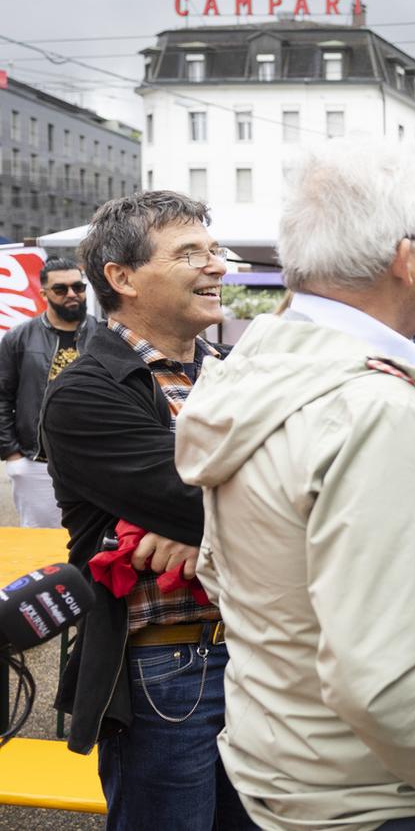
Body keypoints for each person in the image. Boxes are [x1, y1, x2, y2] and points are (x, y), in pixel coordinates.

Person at [173, 140, 415, 830]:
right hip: (380, 797)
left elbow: (222, 570)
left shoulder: (257, 369)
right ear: (402, 257)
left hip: (286, 766)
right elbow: (378, 680)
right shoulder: (375, 407)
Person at [38, 191, 254, 828]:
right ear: (122, 277)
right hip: (170, 666)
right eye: (190, 254)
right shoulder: (84, 392)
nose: (216, 266)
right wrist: (217, 517)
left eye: (214, 251)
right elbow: (205, 501)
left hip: (263, 655)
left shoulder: (236, 372)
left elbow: (313, 478)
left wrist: (202, 533)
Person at [0, 256, 99, 527]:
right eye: (60, 289)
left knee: (94, 539)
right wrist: (12, 453)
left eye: (78, 287)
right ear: (44, 293)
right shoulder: (18, 338)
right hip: (36, 461)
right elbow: (2, 396)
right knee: (40, 542)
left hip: (96, 459)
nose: (71, 294)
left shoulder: (104, 336)